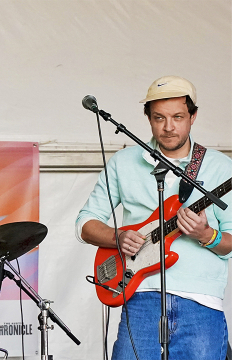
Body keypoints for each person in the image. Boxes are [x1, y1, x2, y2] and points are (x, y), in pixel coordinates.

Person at [76, 76, 231, 359]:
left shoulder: (221, 167)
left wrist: (205, 235)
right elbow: (86, 223)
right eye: (159, 117)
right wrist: (118, 236)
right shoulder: (124, 162)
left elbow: (230, 242)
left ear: (193, 116)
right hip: (139, 296)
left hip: (201, 303)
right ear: (147, 118)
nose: (168, 127)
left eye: (178, 117)